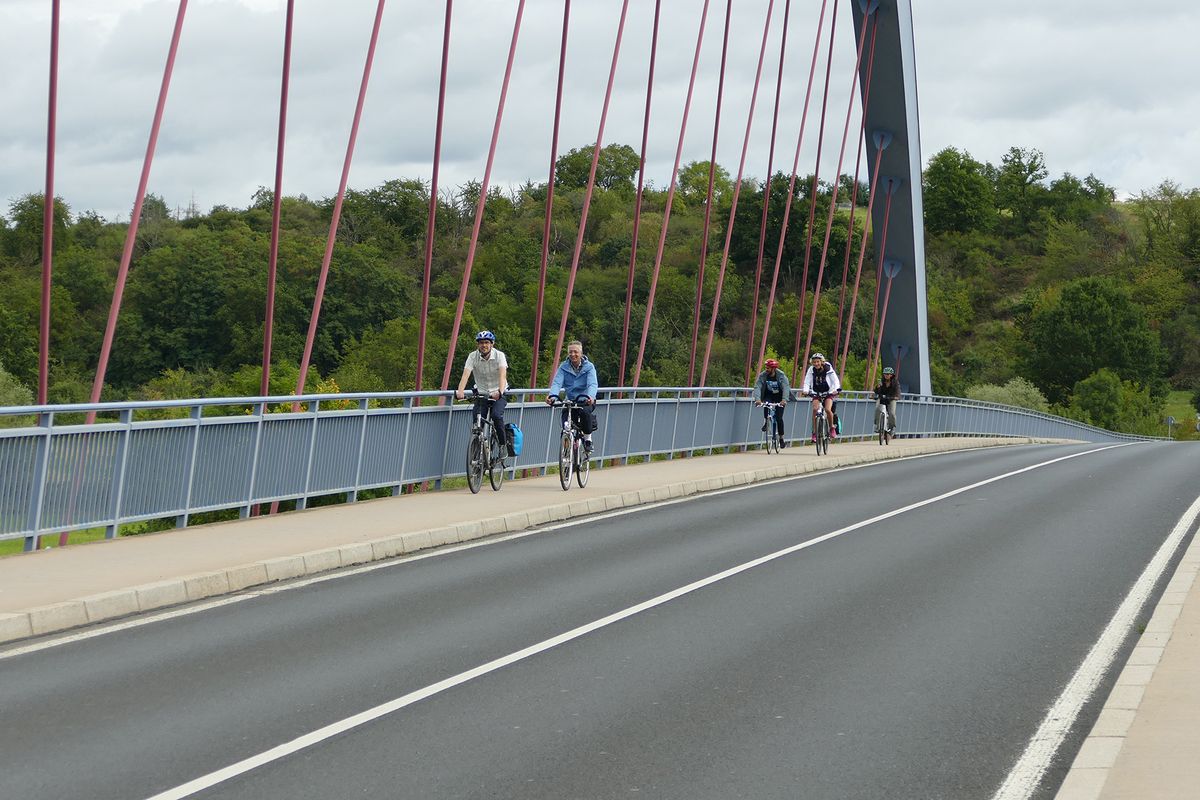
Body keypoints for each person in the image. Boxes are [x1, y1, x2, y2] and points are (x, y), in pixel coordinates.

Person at [455, 330, 513, 456]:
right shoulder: (472, 356)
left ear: (492, 344)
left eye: (487, 342)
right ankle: (477, 453)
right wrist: (460, 392)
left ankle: (502, 446)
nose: (484, 345)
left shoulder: (499, 356)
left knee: (497, 416)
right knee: (477, 421)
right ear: (478, 345)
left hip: (498, 392)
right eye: (481, 343)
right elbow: (465, 375)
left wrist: (500, 392)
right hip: (481, 393)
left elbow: (502, 376)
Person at [546, 340, 599, 456]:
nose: (573, 354)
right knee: (565, 423)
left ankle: (588, 440)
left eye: (575, 352)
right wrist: (552, 396)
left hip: (585, 399)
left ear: (581, 353)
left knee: (585, 414)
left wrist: (590, 397)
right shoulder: (563, 367)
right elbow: (557, 383)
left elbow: (592, 384)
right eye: (570, 352)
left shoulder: (589, 367)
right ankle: (566, 451)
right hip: (570, 400)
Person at [800, 352, 842, 443]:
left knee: (827, 409)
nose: (816, 364)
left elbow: (834, 379)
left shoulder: (827, 367)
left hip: (828, 392)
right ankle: (814, 433)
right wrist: (806, 390)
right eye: (814, 362)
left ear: (822, 361)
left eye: (818, 362)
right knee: (815, 409)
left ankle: (831, 428)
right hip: (816, 392)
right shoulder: (811, 370)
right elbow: (807, 381)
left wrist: (837, 389)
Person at [753, 358, 791, 447]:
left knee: (779, 418)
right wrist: (757, 399)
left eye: (768, 368)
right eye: (766, 367)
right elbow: (757, 386)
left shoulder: (781, 375)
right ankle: (766, 421)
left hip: (780, 397)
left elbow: (786, 388)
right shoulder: (763, 375)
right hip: (769, 394)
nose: (766, 369)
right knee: (766, 403)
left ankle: (781, 438)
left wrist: (784, 400)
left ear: (773, 368)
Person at [874, 366, 900, 434]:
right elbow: (876, 391)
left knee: (892, 413)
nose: (886, 375)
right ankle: (877, 426)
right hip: (882, 398)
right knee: (877, 409)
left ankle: (892, 427)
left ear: (891, 375)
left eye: (888, 374)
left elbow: (897, 391)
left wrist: (896, 396)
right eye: (885, 374)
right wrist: (878, 387)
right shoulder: (881, 381)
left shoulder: (895, 382)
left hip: (891, 398)